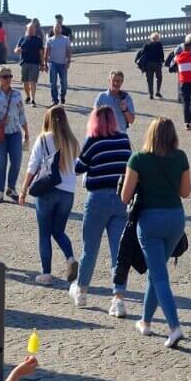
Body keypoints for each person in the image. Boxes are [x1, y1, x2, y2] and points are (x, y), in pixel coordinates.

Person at [120, 117, 191, 349]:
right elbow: (186, 192)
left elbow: (125, 197)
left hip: (149, 221)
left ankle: (174, 327)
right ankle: (146, 321)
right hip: (175, 220)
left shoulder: (138, 159)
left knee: (159, 276)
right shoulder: (180, 157)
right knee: (156, 270)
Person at [70, 106, 134, 317]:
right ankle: (118, 298)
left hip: (97, 198)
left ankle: (81, 290)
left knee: (90, 248)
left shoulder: (93, 141)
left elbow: (78, 168)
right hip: (120, 198)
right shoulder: (123, 140)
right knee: (119, 252)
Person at [18, 105, 80, 286]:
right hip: (67, 192)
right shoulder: (72, 141)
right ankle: (70, 258)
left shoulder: (43, 139)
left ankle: (46, 273)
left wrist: (23, 190)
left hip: (47, 191)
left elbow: (32, 166)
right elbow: (77, 168)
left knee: (44, 233)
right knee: (58, 230)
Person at [0, 68, 29, 203]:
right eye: (5, 77)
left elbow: (21, 113)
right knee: (1, 163)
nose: (8, 79)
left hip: (14, 132)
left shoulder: (17, 94)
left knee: (16, 161)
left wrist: (26, 132)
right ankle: (0, 190)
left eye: (10, 76)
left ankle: (11, 188)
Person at [175, 35, 191, 130]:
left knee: (185, 102)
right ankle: (189, 120)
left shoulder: (178, 58)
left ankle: (187, 122)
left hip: (182, 82)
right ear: (190, 48)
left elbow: (175, 59)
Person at [15, 23, 44, 107]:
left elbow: (41, 52)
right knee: (25, 82)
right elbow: (16, 49)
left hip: (35, 63)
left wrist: (42, 64)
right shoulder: (22, 38)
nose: (31, 30)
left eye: (32, 29)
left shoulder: (38, 40)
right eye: (29, 29)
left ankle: (33, 99)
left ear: (35, 30)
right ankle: (28, 96)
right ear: (27, 29)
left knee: (33, 82)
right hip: (24, 63)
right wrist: (18, 50)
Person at [44, 23, 72, 105]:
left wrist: (68, 61)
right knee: (53, 83)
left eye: (58, 28)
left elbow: (69, 51)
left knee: (64, 83)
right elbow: (46, 53)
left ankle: (62, 95)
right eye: (55, 28)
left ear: (61, 29)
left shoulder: (66, 39)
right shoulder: (49, 40)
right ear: (53, 29)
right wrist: (45, 64)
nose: (57, 29)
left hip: (63, 64)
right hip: (53, 63)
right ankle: (54, 100)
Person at [139, 32, 165, 99]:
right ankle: (158, 91)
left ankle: (151, 94)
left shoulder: (147, 44)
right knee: (159, 78)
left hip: (148, 64)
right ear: (158, 38)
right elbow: (162, 54)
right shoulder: (159, 44)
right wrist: (162, 60)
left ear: (151, 38)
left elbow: (142, 53)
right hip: (157, 63)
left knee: (150, 79)